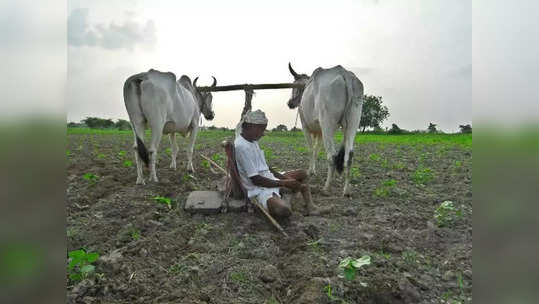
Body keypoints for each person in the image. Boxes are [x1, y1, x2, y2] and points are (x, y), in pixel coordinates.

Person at [234, 109, 322, 218]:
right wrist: (283, 183)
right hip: (258, 189)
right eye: (262, 130)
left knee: (302, 173)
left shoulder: (252, 141)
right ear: (253, 127)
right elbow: (256, 180)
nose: (263, 134)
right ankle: (290, 196)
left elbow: (265, 167)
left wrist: (283, 178)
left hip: (268, 178)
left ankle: (311, 207)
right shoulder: (242, 147)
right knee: (283, 211)